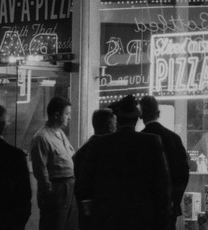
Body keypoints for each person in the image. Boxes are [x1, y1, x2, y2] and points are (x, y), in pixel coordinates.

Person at [78, 94, 171, 230]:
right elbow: (163, 185)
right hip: (143, 219)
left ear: (118, 119)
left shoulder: (100, 144)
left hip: (108, 219)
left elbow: (84, 184)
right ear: (137, 118)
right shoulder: (152, 142)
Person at [139, 95, 190, 230]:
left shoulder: (139, 140)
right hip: (169, 205)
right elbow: (183, 172)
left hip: (145, 207)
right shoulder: (173, 138)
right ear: (158, 113)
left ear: (141, 116)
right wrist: (174, 199)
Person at [30, 96, 78, 230]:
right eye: (67, 114)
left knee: (70, 225)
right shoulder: (41, 137)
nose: (69, 117)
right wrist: (48, 194)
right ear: (57, 115)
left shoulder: (60, 133)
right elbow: (40, 170)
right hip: (57, 189)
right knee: (54, 224)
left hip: (69, 187)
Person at [72, 108, 116, 230]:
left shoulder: (83, 150)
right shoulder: (108, 150)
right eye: (115, 124)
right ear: (109, 127)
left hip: (88, 213)